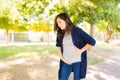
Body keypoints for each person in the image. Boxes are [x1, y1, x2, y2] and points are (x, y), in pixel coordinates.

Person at [54, 13, 96, 80]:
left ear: (66, 20)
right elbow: (58, 45)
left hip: (77, 61)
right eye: (57, 23)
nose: (58, 25)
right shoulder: (61, 33)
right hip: (66, 61)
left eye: (60, 22)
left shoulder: (77, 31)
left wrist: (81, 50)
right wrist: (62, 58)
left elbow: (92, 41)